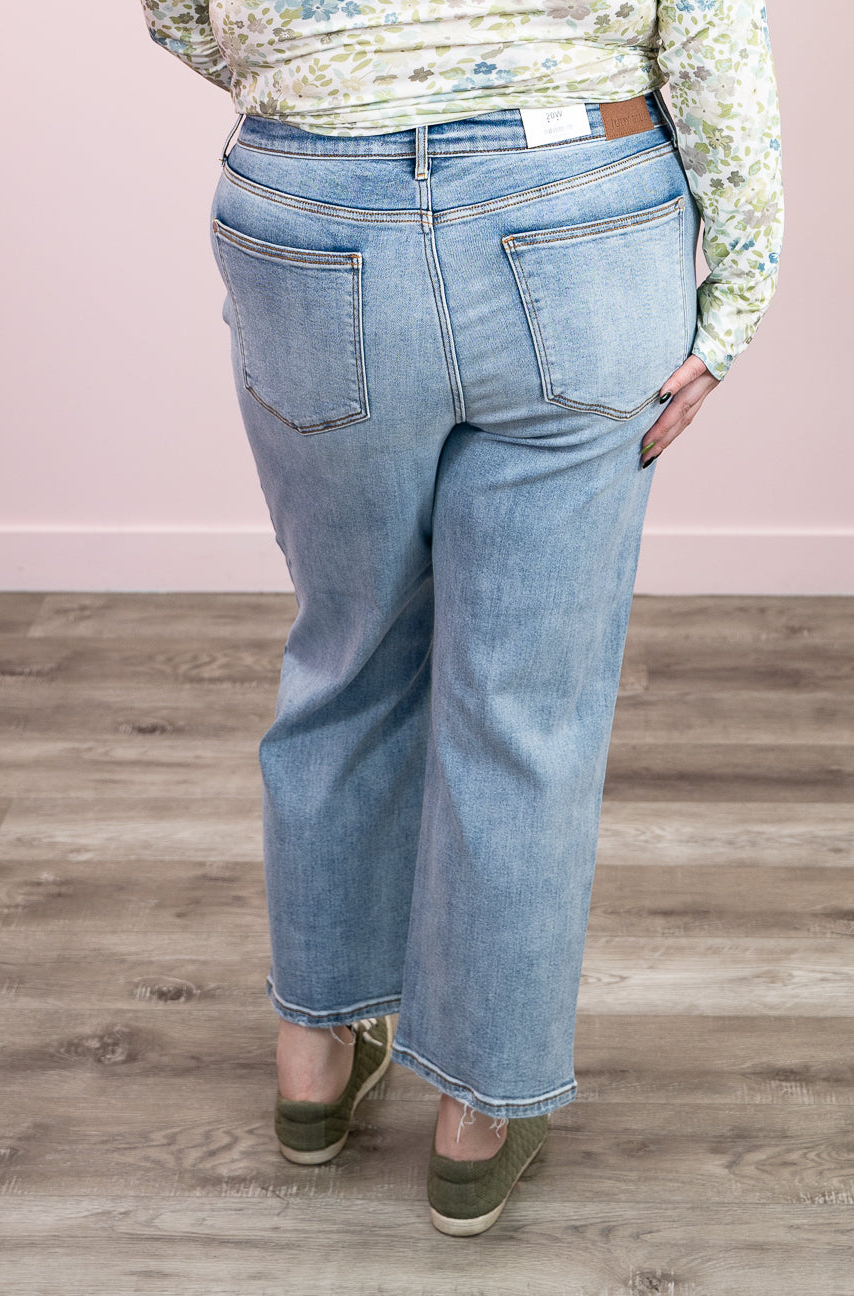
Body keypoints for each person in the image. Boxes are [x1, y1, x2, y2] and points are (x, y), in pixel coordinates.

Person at [140, 0, 783, 1236]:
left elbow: (179, 13)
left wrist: (341, 85)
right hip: (578, 208)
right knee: (524, 701)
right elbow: (708, 28)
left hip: (313, 211)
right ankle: (478, 1117)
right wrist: (741, 288)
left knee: (347, 650)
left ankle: (313, 1063)